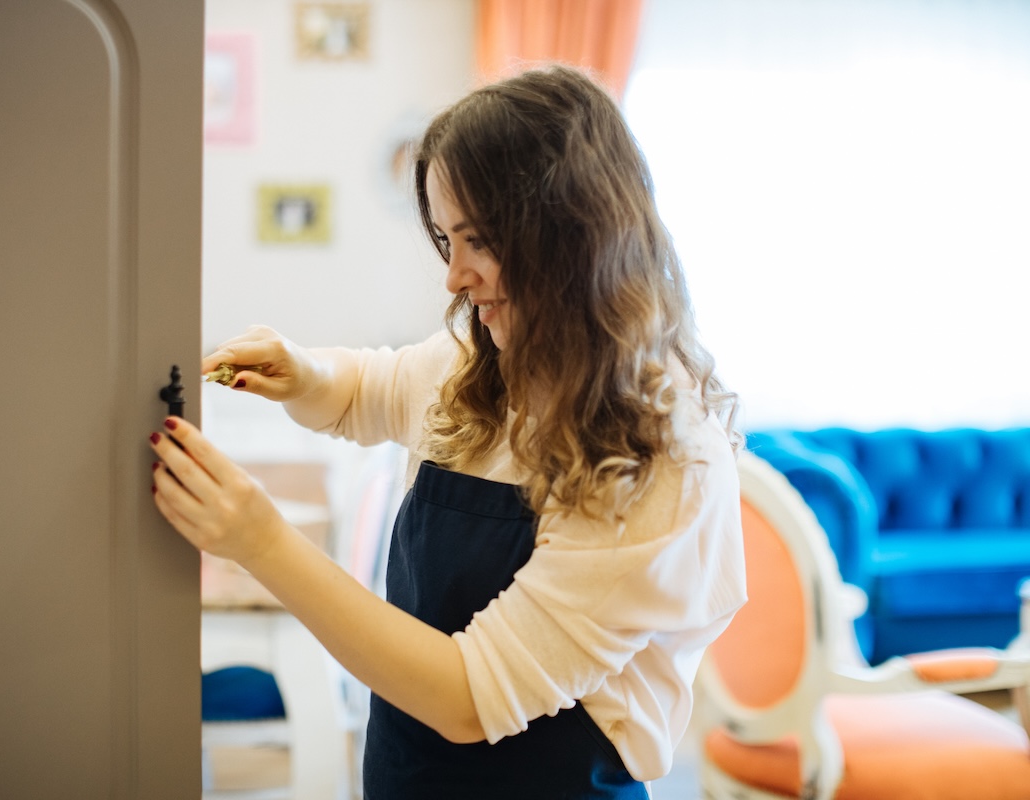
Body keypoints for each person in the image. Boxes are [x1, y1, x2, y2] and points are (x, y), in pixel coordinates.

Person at [149, 64, 746, 799]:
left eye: (480, 240)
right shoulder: (481, 365)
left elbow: (469, 698)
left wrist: (261, 544)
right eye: (445, 240)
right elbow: (369, 387)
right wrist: (304, 372)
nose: (454, 276)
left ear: (572, 235)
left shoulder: (660, 457)